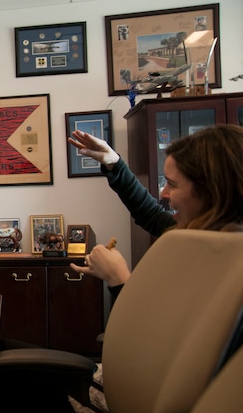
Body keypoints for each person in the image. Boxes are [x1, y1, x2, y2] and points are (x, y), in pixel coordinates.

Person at [68, 124, 243, 305]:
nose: (163, 194)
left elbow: (160, 330)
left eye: (173, 185)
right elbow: (150, 213)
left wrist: (118, 278)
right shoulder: (198, 233)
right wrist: (114, 164)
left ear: (210, 192)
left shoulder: (230, 270)